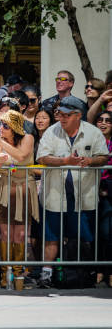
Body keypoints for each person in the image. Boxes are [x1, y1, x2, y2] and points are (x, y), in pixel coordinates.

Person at [36, 96, 108, 288]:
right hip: (55, 193)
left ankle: (82, 273)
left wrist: (90, 161)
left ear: (79, 115)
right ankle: (46, 273)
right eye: (60, 114)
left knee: (83, 236)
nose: (62, 118)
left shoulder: (93, 133)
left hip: (83, 195)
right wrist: (64, 161)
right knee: (51, 236)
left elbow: (103, 156)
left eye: (67, 115)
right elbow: (42, 157)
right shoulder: (51, 132)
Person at [0, 110, 39, 288]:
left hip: (24, 188)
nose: (1, 128)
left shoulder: (27, 138)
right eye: (1, 124)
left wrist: (0, 143)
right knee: (5, 233)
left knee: (21, 233)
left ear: (16, 127)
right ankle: (5, 272)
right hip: (4, 187)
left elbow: (21, 156)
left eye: (6, 125)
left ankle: (18, 274)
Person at [95, 111, 112, 287]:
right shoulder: (93, 141)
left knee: (107, 233)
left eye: (108, 121)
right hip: (90, 191)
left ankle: (108, 270)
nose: (103, 123)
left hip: (108, 193)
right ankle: (99, 269)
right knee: (96, 234)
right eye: (100, 120)